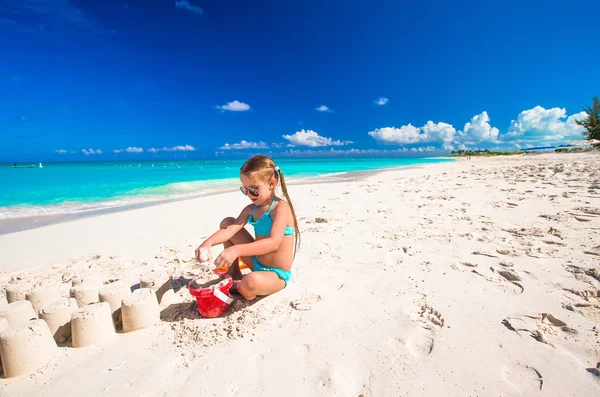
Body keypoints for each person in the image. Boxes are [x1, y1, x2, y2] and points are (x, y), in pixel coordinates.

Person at [195, 155, 300, 300]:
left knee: (250, 282)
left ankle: (237, 285)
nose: (249, 195)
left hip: (276, 274)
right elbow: (229, 230)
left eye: (254, 190)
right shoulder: (250, 209)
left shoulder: (280, 208)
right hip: (256, 263)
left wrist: (236, 250)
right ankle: (234, 274)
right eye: (245, 189)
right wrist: (206, 244)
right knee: (228, 222)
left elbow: (273, 242)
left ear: (272, 183)